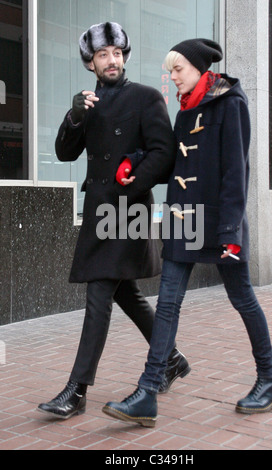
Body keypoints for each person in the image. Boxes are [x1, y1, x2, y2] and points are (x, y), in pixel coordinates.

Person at [102, 38, 272, 428]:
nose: (173, 77)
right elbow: (172, 160)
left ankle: (269, 379)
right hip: (184, 221)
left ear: (200, 69)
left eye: (178, 69)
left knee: (243, 300)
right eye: (170, 70)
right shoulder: (185, 111)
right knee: (167, 303)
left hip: (219, 223)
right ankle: (148, 391)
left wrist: (231, 230)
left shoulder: (230, 104)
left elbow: (237, 172)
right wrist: (133, 163)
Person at [37, 22, 191, 420]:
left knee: (99, 293)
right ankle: (170, 358)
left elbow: (164, 153)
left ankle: (77, 390)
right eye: (103, 54)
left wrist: (131, 181)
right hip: (99, 211)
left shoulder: (144, 97)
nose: (112, 60)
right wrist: (73, 117)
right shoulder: (88, 103)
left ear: (123, 56)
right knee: (124, 292)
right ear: (91, 63)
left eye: (117, 53)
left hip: (129, 209)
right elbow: (65, 152)